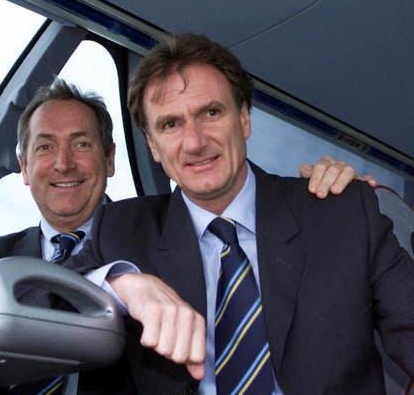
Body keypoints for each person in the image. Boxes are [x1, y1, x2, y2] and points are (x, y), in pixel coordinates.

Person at [0, 79, 373, 394]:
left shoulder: (173, 235)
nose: (62, 163)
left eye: (82, 144)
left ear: (110, 158)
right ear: (22, 165)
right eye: (44, 148)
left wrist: (326, 201)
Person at [69, 34, 414, 395]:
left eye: (211, 113)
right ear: (153, 146)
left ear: (245, 119)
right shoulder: (122, 231)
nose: (195, 141)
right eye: (171, 124)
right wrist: (123, 285)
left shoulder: (342, 214)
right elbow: (45, 295)